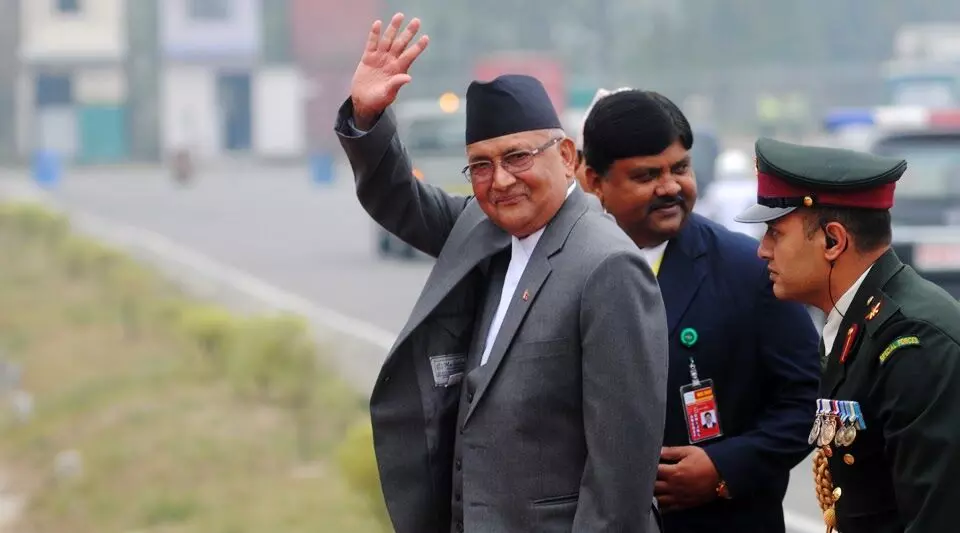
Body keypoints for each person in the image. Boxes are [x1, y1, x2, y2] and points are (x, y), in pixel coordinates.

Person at [335, 13, 669, 533]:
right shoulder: (483, 228)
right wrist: (367, 115)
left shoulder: (607, 266)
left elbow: (619, 480)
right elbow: (398, 198)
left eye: (517, 157)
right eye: (481, 165)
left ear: (566, 156)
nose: (501, 181)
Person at [580, 90, 821, 533]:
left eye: (680, 168)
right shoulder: (566, 269)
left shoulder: (748, 271)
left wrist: (722, 468)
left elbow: (809, 398)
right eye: (647, 175)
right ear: (594, 180)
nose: (670, 187)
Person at [734, 138, 960, 533]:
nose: (763, 250)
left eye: (775, 233)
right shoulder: (858, 320)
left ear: (833, 241)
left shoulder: (914, 342)